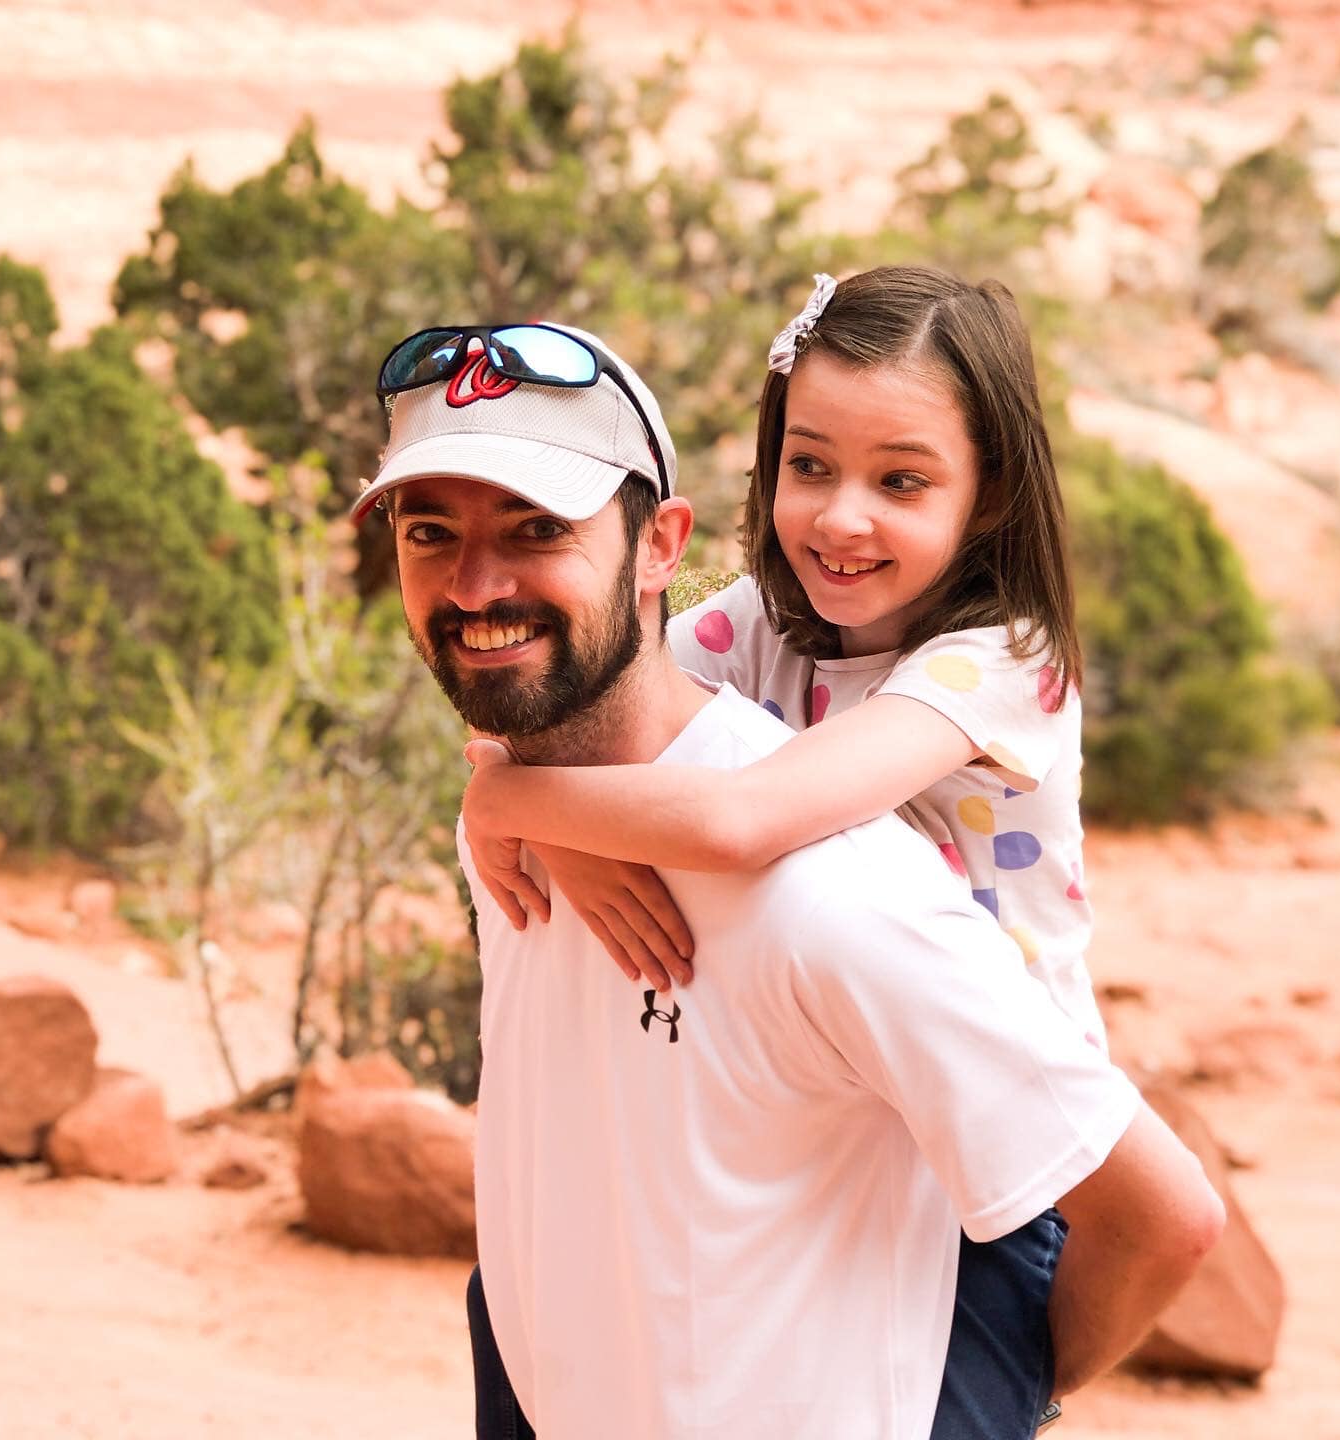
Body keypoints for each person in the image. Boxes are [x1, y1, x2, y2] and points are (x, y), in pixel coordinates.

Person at [352, 318, 1224, 1439]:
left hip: (1004, 1170)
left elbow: (738, 813)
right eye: (810, 467)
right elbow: (612, 708)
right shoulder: (744, 641)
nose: (843, 516)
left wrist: (1011, 1396)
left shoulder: (994, 674)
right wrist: (509, 785)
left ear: (659, 545)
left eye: (536, 528)